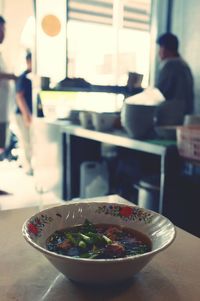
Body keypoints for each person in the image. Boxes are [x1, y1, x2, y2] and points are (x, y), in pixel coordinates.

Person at [155, 32, 194, 122]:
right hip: (185, 117)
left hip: (170, 117)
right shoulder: (184, 65)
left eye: (160, 48)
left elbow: (159, 93)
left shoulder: (170, 65)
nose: (159, 52)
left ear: (165, 49)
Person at [0, 16, 17, 156]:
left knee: (2, 147)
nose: (3, 34)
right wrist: (12, 76)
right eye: (1, 29)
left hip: (3, 111)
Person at [14, 51, 33, 175]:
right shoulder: (24, 78)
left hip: (28, 114)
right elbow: (19, 97)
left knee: (29, 141)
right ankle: (28, 168)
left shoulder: (32, 78)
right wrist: (26, 115)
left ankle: (29, 165)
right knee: (26, 141)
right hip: (22, 114)